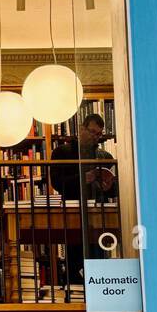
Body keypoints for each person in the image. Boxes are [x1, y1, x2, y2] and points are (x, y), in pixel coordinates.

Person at [48, 113, 117, 291]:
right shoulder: (62, 153)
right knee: (75, 259)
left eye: (99, 134)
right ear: (81, 129)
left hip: (97, 216)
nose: (96, 137)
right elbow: (57, 183)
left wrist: (108, 186)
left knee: (99, 257)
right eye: (93, 132)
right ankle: (76, 296)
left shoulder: (104, 156)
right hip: (73, 215)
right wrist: (84, 178)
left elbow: (116, 188)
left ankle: (99, 296)